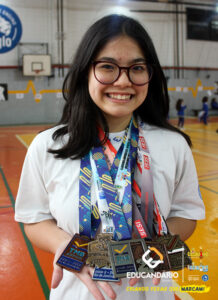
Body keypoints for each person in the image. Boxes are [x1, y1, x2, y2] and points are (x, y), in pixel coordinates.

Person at [15, 14, 205, 300]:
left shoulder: (173, 144)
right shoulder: (47, 146)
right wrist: (69, 248)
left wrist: (153, 249)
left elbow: (186, 215)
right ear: (85, 72)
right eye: (107, 67)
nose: (123, 81)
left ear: (149, 74)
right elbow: (34, 219)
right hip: (77, 293)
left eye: (137, 68)